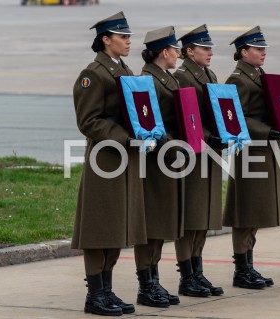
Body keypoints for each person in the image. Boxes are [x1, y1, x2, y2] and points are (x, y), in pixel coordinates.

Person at [71, 12, 146, 316]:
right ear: (106, 39)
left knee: (116, 226)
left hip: (125, 157)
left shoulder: (124, 69)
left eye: (129, 37)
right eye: (123, 37)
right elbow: (89, 121)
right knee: (100, 227)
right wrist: (126, 137)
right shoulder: (93, 74)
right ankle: (95, 295)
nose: (129, 42)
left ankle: (107, 290)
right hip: (105, 158)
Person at [223, 26, 280, 289]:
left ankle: (248, 264)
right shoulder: (238, 79)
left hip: (265, 148)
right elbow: (237, 118)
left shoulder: (258, 75)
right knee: (246, 213)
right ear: (243, 52)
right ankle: (241, 269)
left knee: (256, 213)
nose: (263, 53)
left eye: (264, 50)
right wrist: (267, 131)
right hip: (250, 151)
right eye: (258, 49)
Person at [133, 25, 188, 308]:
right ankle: (146, 285)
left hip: (170, 158)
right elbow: (149, 123)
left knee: (162, 222)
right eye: (176, 50)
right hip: (156, 160)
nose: (178, 54)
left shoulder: (166, 78)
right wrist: (174, 144)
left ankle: (154, 279)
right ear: (164, 52)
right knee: (152, 223)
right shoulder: (148, 80)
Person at [173, 24, 223, 297]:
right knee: (191, 216)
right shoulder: (182, 77)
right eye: (205, 48)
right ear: (189, 51)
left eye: (210, 48)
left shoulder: (208, 74)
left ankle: (198, 271)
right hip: (192, 154)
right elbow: (186, 118)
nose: (210, 52)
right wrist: (208, 135)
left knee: (203, 215)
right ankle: (186, 276)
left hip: (210, 151)